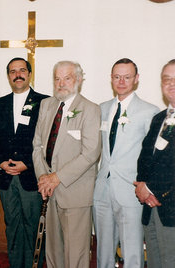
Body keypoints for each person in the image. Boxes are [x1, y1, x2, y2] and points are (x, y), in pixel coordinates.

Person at [32, 60, 101, 268]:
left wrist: (56, 178)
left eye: (67, 78)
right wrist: (43, 179)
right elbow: (37, 146)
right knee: (53, 252)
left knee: (75, 255)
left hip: (75, 193)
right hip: (49, 192)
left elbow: (91, 153)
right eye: (57, 78)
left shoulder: (90, 109)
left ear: (78, 80)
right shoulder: (46, 105)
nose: (61, 83)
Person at [93, 58, 159, 268]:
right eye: (117, 77)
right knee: (102, 249)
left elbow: (153, 155)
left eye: (127, 77)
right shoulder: (101, 109)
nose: (121, 81)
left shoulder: (149, 111)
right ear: (111, 79)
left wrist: (146, 185)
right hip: (103, 188)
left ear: (136, 79)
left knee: (131, 251)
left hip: (131, 191)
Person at [0, 57, 49, 267]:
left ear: (29, 73)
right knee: (12, 226)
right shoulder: (0, 103)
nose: (18, 75)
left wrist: (28, 164)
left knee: (34, 227)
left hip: (31, 177)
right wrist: (1, 163)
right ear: (8, 76)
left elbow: (47, 140)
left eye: (22, 70)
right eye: (13, 71)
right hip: (6, 177)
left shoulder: (44, 102)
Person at [134, 59, 175, 268]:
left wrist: (151, 190)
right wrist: (141, 185)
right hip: (151, 207)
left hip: (170, 206)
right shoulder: (159, 118)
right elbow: (145, 156)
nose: (171, 84)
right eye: (166, 79)